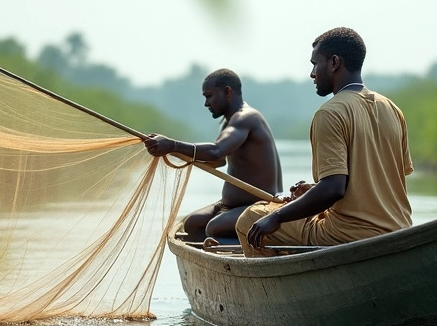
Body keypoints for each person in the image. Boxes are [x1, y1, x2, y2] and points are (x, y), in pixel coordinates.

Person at [237, 27, 412, 257]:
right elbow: (374, 182)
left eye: (315, 64)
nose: (312, 73)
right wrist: (311, 191)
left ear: (334, 63)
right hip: (399, 230)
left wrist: (276, 217)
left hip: (349, 234)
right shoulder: (392, 109)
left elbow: (333, 189)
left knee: (251, 218)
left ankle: (282, 287)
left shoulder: (330, 113)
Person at [144, 68, 282, 242]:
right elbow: (217, 161)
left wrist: (171, 144)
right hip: (232, 206)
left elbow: (216, 150)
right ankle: (218, 246)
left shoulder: (245, 118)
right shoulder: (228, 121)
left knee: (214, 228)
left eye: (209, 96)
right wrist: (172, 150)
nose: (206, 103)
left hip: (259, 207)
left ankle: (245, 246)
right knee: (192, 224)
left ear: (227, 92)